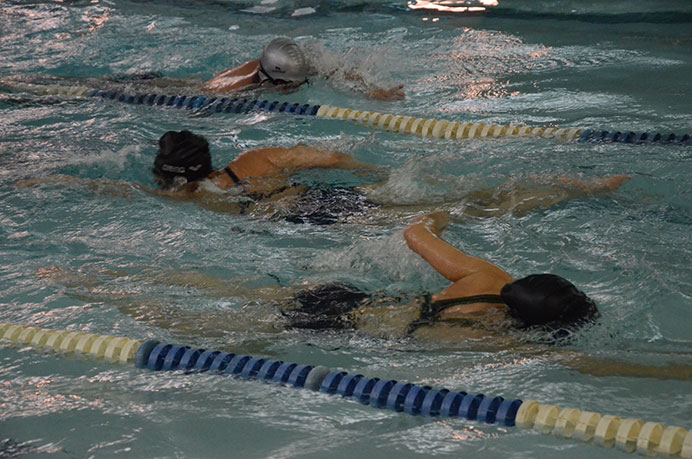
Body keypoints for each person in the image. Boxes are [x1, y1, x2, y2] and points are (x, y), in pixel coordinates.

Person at [203, 37, 405, 101]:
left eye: (298, 83)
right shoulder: (229, 91)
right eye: (285, 85)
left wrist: (371, 91)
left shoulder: (295, 66)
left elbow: (337, 71)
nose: (294, 89)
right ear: (269, 79)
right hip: (206, 88)